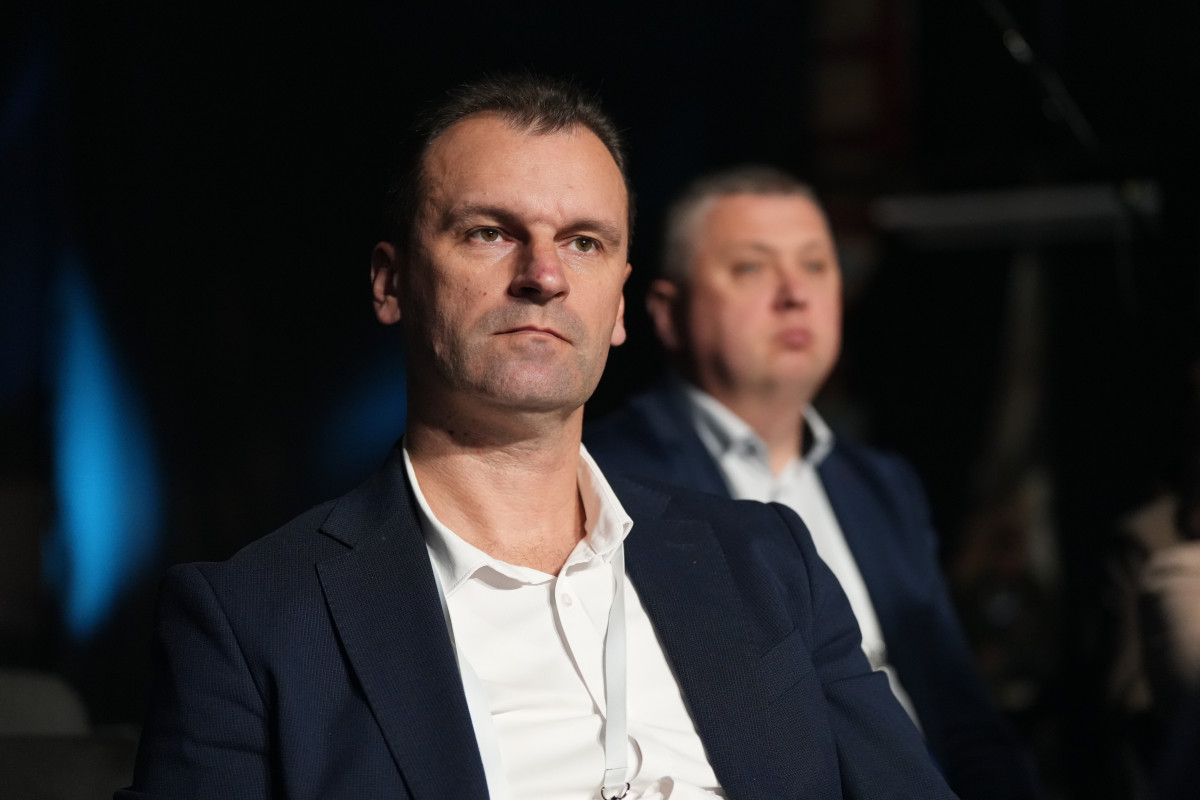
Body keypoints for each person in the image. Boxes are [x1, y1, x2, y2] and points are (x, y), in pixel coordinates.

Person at [115, 77, 955, 800]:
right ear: (391, 282)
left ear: (620, 305)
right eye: (490, 232)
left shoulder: (766, 562)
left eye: (584, 243)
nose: (545, 276)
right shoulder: (255, 620)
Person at [585, 166, 1041, 800]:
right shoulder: (604, 478)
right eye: (752, 267)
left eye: (816, 266)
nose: (795, 293)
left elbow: (960, 714)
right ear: (666, 312)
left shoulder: (880, 484)